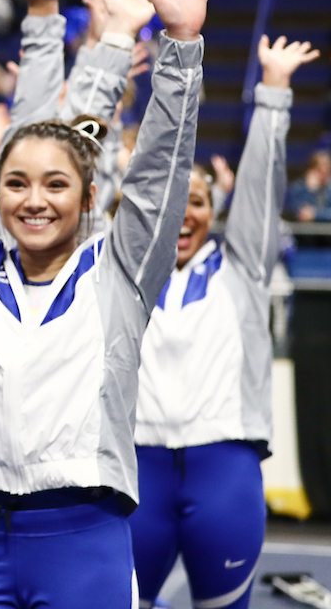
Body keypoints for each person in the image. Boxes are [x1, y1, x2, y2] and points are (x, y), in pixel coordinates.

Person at [0, 0, 218, 607]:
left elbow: (156, 171)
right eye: (15, 183)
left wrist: (178, 46)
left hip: (85, 536)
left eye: (55, 184)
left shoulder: (120, 271)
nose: (33, 200)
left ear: (88, 194)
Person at [133, 34, 318, 609]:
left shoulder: (241, 266)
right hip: (136, 468)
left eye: (199, 202)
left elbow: (262, 190)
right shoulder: (125, 271)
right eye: (175, 201)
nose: (185, 214)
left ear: (214, 213)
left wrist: (273, 95)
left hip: (225, 469)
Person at [285, 150, 331, 223]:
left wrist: (316, 214)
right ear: (312, 169)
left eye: (326, 167)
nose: (323, 170)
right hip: (307, 232)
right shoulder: (300, 188)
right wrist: (309, 190)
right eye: (319, 168)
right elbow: (296, 211)